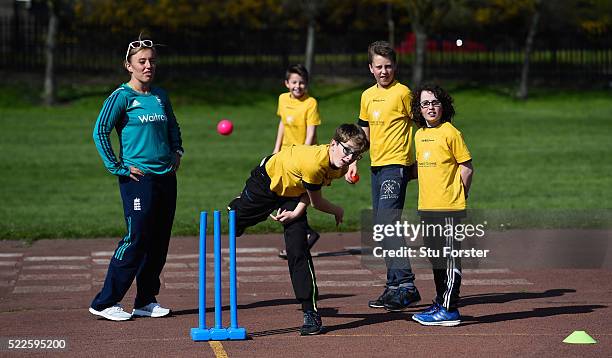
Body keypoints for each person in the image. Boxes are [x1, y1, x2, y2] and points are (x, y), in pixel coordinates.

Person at [228, 124, 369, 335]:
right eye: (346, 150)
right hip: (268, 179)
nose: (349, 157)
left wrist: (295, 214)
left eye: (356, 154)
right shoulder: (315, 164)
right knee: (237, 221)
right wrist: (337, 210)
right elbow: (318, 202)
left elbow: (308, 194)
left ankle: (310, 312)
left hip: (295, 192)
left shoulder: (339, 166)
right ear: (333, 144)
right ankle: (237, 206)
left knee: (298, 249)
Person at [89, 36, 184, 321]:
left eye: (152, 60)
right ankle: (105, 302)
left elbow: (173, 125)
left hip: (165, 177)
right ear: (128, 65)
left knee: (159, 241)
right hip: (137, 179)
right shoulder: (121, 97)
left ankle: (145, 300)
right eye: (141, 61)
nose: (148, 66)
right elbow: (100, 131)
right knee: (137, 237)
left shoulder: (159, 96)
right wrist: (117, 167)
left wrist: (177, 150)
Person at [346, 40, 420, 311]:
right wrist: (354, 161)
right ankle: (394, 287)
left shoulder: (403, 93)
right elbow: (363, 132)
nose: (384, 71)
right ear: (370, 68)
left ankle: (407, 285)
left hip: (396, 166)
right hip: (376, 166)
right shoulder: (367, 96)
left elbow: (420, 126)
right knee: (381, 227)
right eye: (379, 67)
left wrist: (420, 162)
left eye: (388, 66)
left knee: (387, 222)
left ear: (395, 67)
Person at [409, 84, 474, 326]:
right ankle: (440, 301)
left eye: (435, 102)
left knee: (448, 257)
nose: (430, 107)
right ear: (419, 109)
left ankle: (449, 309)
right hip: (427, 206)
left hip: (448, 207)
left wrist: (460, 195)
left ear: (443, 106)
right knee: (436, 257)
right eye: (425, 104)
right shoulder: (419, 135)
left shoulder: (451, 132)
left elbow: (466, 167)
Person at [273, 64, 321, 256]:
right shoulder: (282, 99)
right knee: (285, 197)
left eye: (301, 82)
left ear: (306, 84)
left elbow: (311, 133)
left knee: (294, 200)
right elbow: (283, 124)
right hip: (285, 155)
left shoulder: (311, 103)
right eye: (294, 82)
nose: (298, 86)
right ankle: (307, 234)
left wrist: (304, 154)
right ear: (286, 83)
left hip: (303, 157)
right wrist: (276, 149)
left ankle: (299, 242)